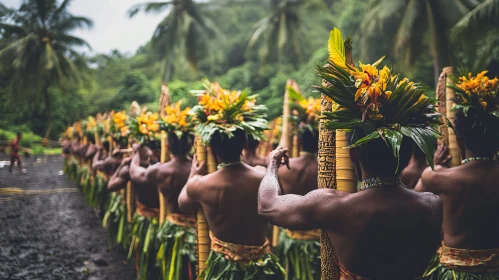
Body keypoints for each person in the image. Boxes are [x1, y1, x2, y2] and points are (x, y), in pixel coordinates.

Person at [259, 31, 445, 279]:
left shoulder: (335, 206)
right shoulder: (432, 205)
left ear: (354, 155)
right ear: (408, 151)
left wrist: (272, 164)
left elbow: (267, 205)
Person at [179, 82, 284, 279]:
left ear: (210, 146)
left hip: (223, 269)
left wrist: (193, 174)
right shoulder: (263, 175)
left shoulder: (200, 184)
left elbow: (183, 205)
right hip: (262, 268)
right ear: (245, 142)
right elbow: (280, 202)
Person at [416, 71, 499, 279]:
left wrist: (435, 166)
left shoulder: (439, 178)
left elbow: (413, 206)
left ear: (460, 140)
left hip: (455, 274)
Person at [129, 131, 196, 280]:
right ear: (191, 144)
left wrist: (135, 154)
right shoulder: (199, 169)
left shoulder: (159, 170)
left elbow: (135, 174)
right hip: (196, 232)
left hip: (171, 227)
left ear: (167, 145)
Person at [276, 128, 321, 279]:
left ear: (299, 141)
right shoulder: (325, 170)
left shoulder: (284, 169)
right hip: (316, 240)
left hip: (290, 237)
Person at [128, 143, 161, 280]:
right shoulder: (162, 169)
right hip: (159, 224)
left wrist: (135, 153)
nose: (149, 155)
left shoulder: (162, 169)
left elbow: (133, 171)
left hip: (166, 226)